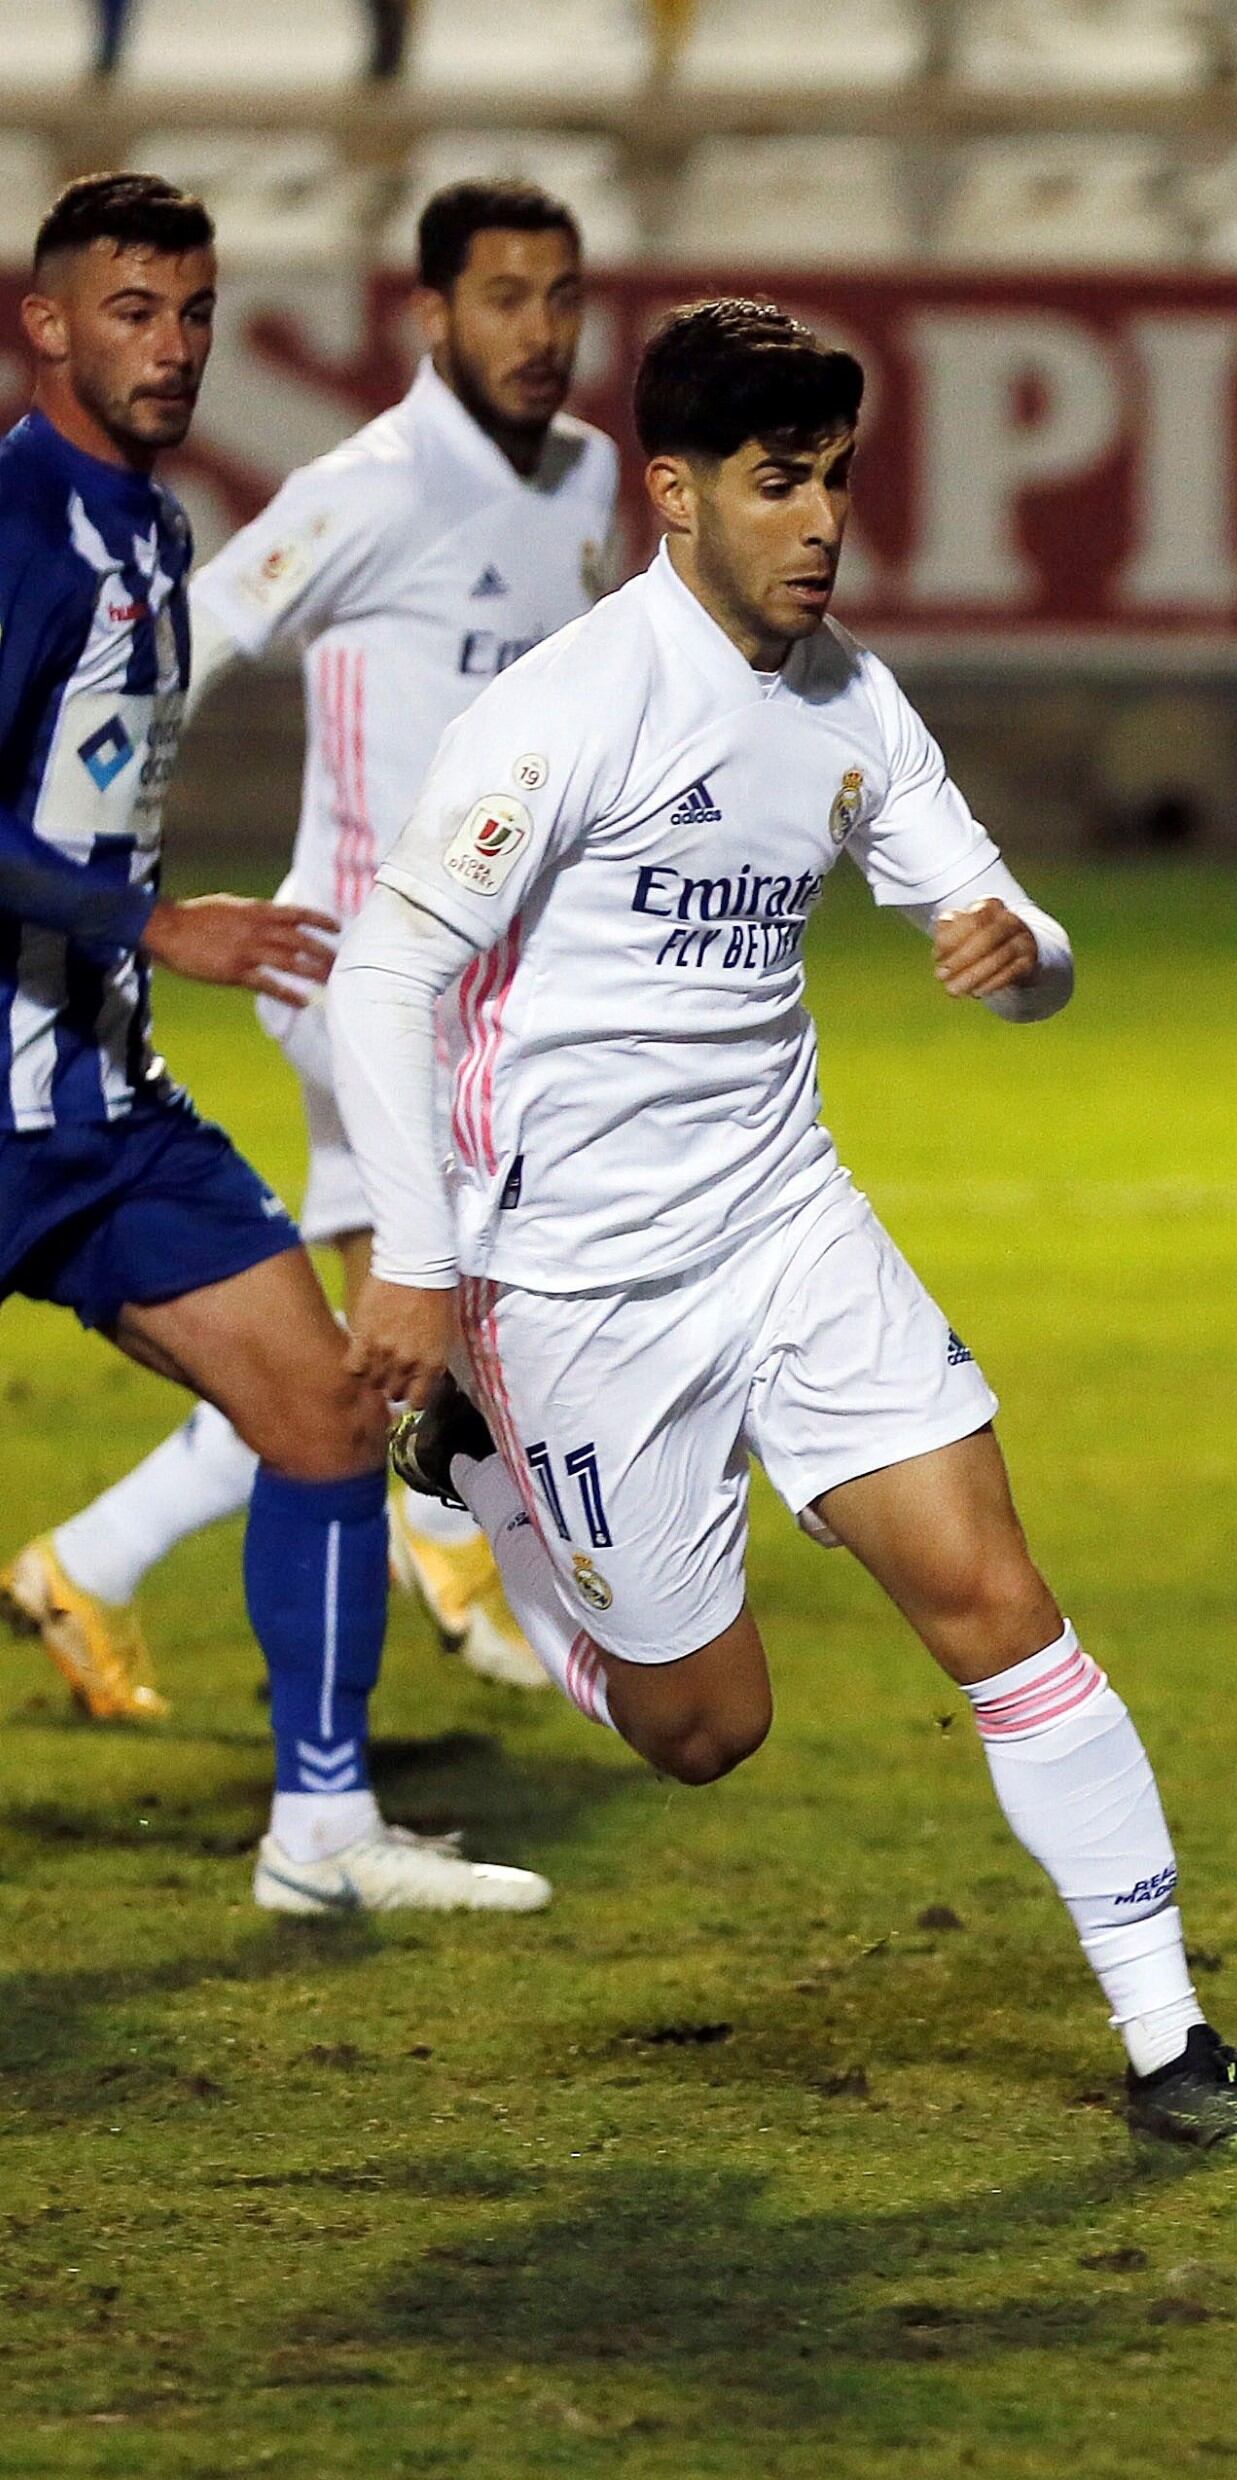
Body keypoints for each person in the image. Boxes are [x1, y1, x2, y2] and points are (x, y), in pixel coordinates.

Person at [326, 296, 1237, 2155]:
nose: (821, 526)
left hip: (791, 1225)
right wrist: (414, 1258)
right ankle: (470, 1490)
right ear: (675, 492)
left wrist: (1022, 955)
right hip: (580, 1282)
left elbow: (1031, 952)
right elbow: (389, 974)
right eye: (780, 486)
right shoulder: (564, 712)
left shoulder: (853, 702)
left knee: (997, 1596)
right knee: (707, 1731)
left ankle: (1172, 2045)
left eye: (841, 485)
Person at [0, 172, 544, 1911]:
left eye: (195, 312)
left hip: (102, 1104)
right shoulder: (15, 532)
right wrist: (150, 920)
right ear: (48, 325)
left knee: (319, 1417)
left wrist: (135, 934)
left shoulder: (154, 537)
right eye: (131, 312)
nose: (172, 348)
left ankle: (321, 1833)